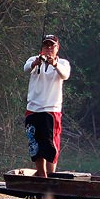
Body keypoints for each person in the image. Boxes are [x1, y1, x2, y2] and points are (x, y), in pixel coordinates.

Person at [23, 34, 71, 177]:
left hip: (51, 110)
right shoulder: (34, 59)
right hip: (32, 109)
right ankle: (41, 174)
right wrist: (36, 63)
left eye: (52, 46)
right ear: (42, 48)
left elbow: (65, 75)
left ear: (57, 48)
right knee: (34, 143)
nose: (49, 49)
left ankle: (51, 175)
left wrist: (54, 64)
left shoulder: (63, 63)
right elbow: (26, 68)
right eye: (46, 46)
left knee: (50, 144)